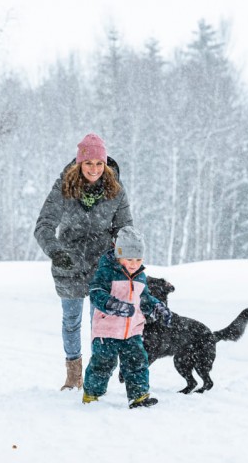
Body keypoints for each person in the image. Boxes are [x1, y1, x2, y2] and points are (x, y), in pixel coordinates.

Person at [34, 133, 132, 391]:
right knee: (71, 320)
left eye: (99, 164)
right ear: (80, 163)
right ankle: (72, 375)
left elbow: (125, 229)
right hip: (69, 262)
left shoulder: (116, 192)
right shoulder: (63, 188)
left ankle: (94, 375)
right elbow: (43, 226)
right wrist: (56, 251)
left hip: (102, 265)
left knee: (99, 322)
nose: (94, 169)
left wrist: (121, 254)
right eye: (89, 163)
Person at [82, 226, 172, 408]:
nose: (134, 264)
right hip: (106, 332)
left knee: (137, 362)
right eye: (129, 259)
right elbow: (96, 292)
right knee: (103, 365)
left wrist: (157, 307)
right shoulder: (106, 271)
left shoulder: (140, 277)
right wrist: (113, 305)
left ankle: (139, 396)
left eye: (138, 259)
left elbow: (144, 298)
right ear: (118, 255)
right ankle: (92, 394)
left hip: (132, 331)